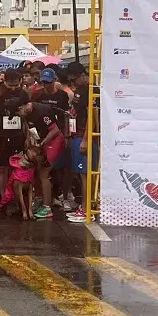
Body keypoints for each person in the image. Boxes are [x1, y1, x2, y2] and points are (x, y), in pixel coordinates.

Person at [0, 68, 28, 209]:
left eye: (16, 85)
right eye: (11, 85)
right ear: (4, 81)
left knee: (16, 167)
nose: (14, 88)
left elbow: (27, 114)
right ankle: (4, 198)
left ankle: (17, 198)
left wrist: (27, 135)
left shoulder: (23, 93)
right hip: (1, 134)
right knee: (2, 168)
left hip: (18, 134)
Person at [19, 99, 65, 221]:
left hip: (54, 139)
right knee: (37, 171)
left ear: (24, 106)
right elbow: (28, 126)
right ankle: (40, 200)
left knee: (44, 172)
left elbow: (55, 130)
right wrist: (29, 139)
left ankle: (47, 207)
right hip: (41, 138)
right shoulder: (26, 112)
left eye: (19, 110)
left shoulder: (41, 111)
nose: (19, 114)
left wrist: (43, 142)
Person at [65, 62, 90, 222]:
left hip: (84, 136)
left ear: (82, 75)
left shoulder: (91, 91)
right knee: (80, 173)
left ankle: (87, 209)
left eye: (74, 79)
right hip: (76, 135)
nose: (72, 83)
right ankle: (83, 206)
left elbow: (91, 118)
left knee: (85, 174)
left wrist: (86, 140)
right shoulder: (79, 91)